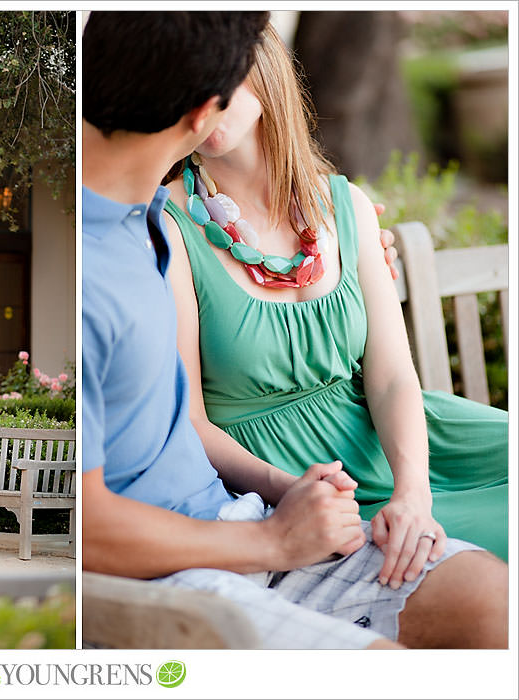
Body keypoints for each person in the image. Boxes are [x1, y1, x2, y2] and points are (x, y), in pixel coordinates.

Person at [82, 10, 507, 649]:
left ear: (266, 79)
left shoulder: (343, 205)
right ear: (200, 107)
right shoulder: (158, 226)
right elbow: (184, 423)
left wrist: (410, 489)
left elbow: (392, 376)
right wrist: (286, 505)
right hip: (269, 470)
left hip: (372, 436)